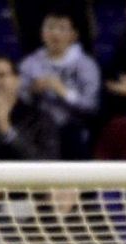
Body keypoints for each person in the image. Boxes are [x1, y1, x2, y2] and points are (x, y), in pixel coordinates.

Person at [17, 11, 100, 159]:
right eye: (50, 28)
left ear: (73, 35)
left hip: (72, 131)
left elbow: (91, 106)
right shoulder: (29, 64)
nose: (55, 34)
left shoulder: (86, 65)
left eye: (62, 28)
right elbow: (18, 98)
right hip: (37, 130)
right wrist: (32, 90)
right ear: (42, 33)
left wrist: (64, 92)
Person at [0, 55, 58, 161]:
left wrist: (8, 132)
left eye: (1, 75)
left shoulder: (40, 119)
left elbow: (47, 166)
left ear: (17, 80)